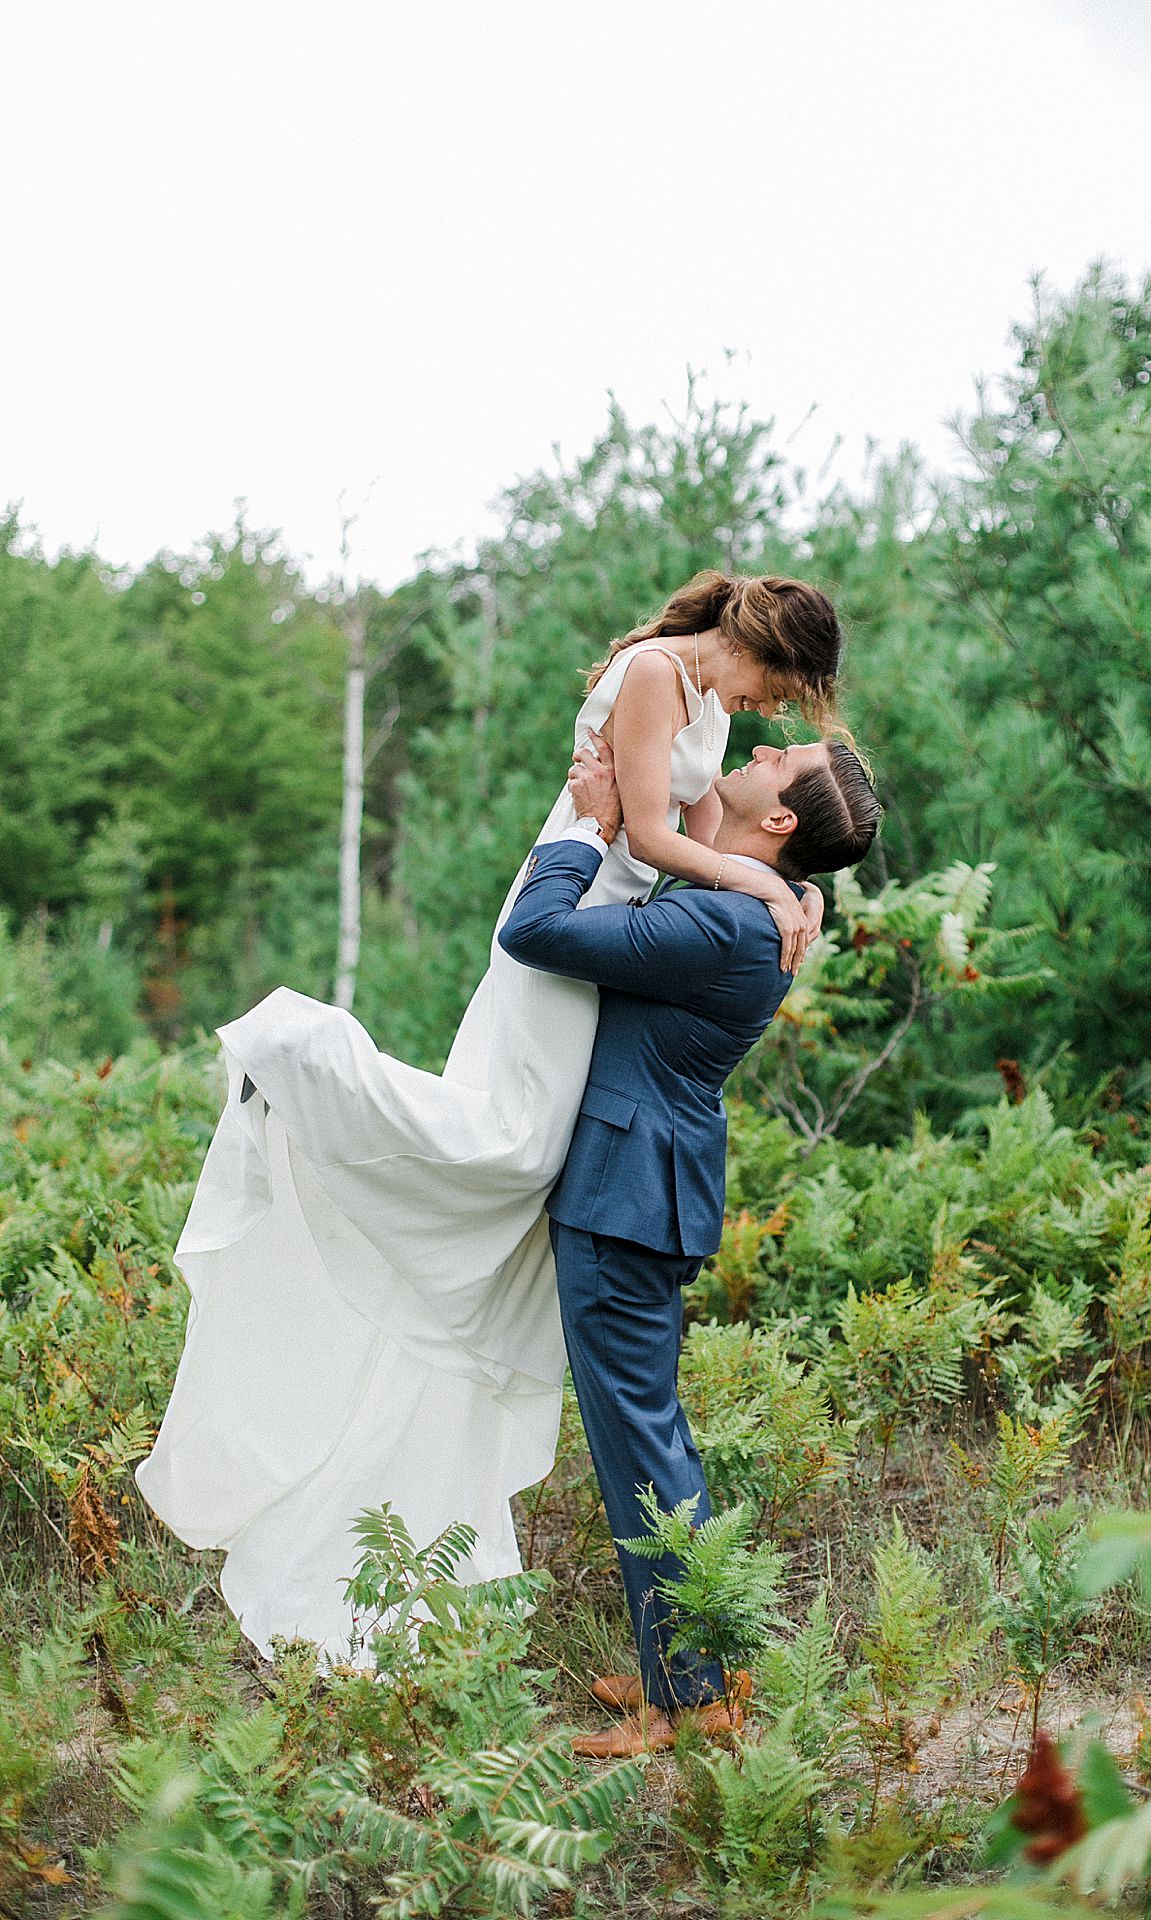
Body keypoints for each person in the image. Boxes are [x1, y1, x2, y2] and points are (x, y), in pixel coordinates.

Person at [135, 570, 844, 1663]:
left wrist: (790, 885)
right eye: (781, 694)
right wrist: (766, 887)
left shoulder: (704, 708)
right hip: (574, 900)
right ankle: (303, 1059)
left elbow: (713, 840)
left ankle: (691, 1674)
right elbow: (660, 841)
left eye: (783, 731)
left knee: (525, 1157)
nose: (769, 720)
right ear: (757, 644)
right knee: (512, 1138)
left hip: (608, 919)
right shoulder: (657, 676)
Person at [497, 721, 883, 1756]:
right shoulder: (757, 904)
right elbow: (732, 829)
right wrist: (786, 880)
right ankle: (696, 1664)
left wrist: (587, 827)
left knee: (639, 1444)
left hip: (622, 1200)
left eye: (778, 763)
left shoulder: (723, 924)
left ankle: (690, 1699)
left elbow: (533, 930)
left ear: (780, 819)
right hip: (646, 1193)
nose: (759, 752)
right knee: (650, 1436)